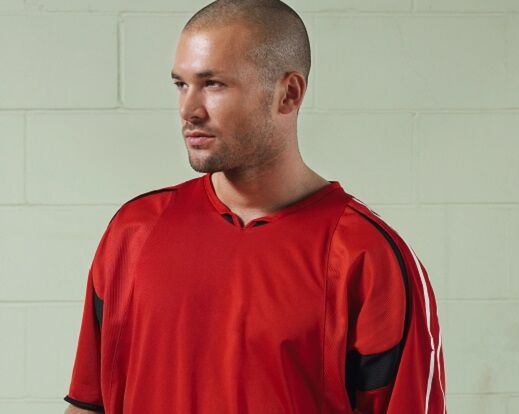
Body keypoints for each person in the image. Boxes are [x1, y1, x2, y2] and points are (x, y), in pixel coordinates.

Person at [63, 1, 445, 413]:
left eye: (213, 84)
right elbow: (89, 406)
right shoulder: (134, 231)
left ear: (289, 93)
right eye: (181, 84)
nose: (188, 110)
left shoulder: (368, 257)